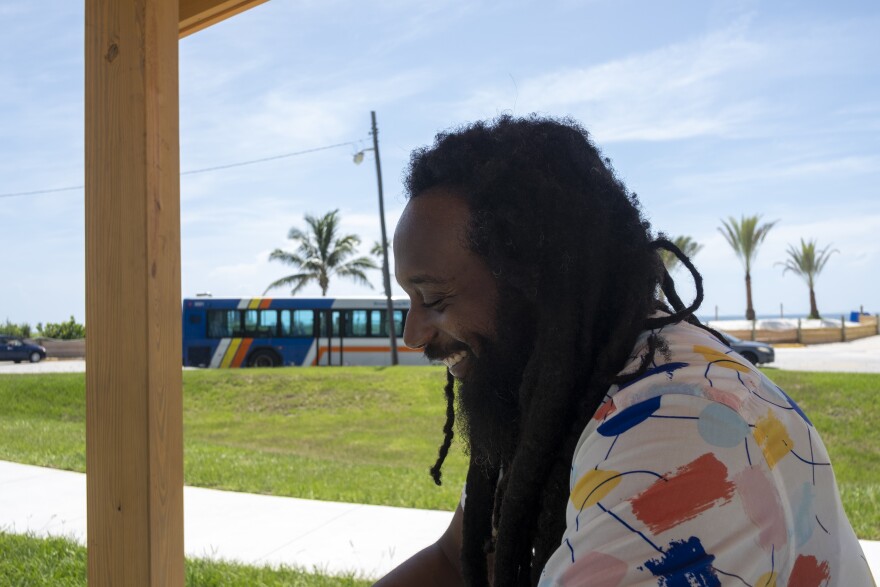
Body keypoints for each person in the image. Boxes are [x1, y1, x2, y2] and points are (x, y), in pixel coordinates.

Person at [376, 116, 873, 586]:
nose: (413, 334)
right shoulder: (549, 393)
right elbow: (454, 561)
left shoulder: (683, 430)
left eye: (434, 300)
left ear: (538, 282)